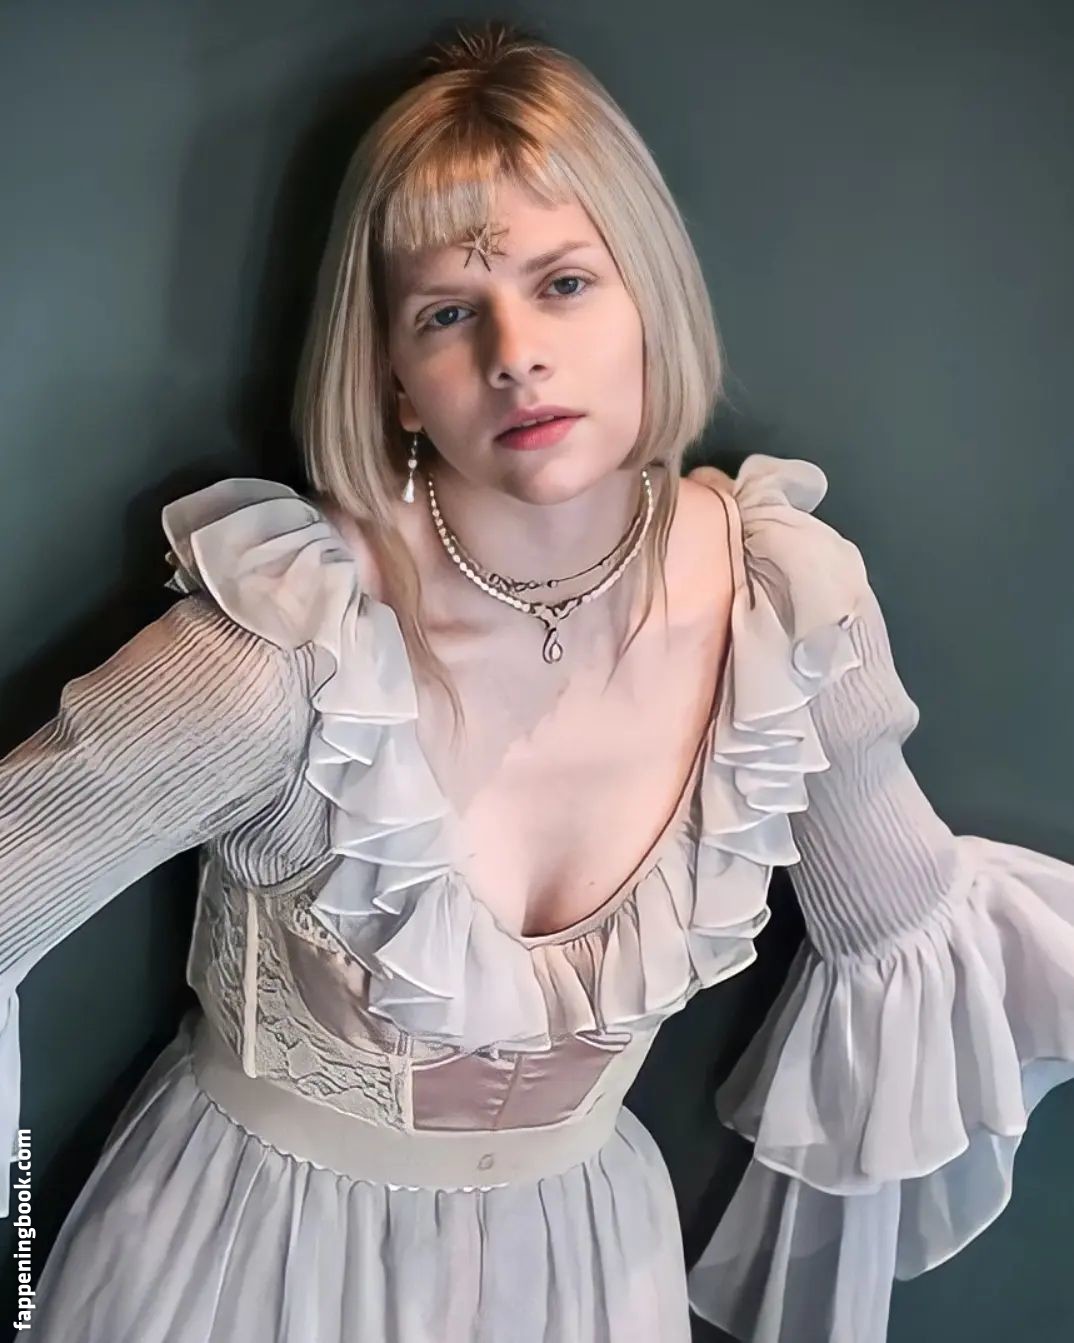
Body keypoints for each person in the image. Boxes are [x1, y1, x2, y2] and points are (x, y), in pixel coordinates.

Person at [2, 20, 1072, 1343]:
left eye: (564, 283)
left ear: (646, 301)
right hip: (248, 1272)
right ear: (397, 382)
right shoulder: (282, 649)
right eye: (449, 313)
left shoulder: (786, 611)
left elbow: (905, 930)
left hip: (588, 1277)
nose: (514, 352)